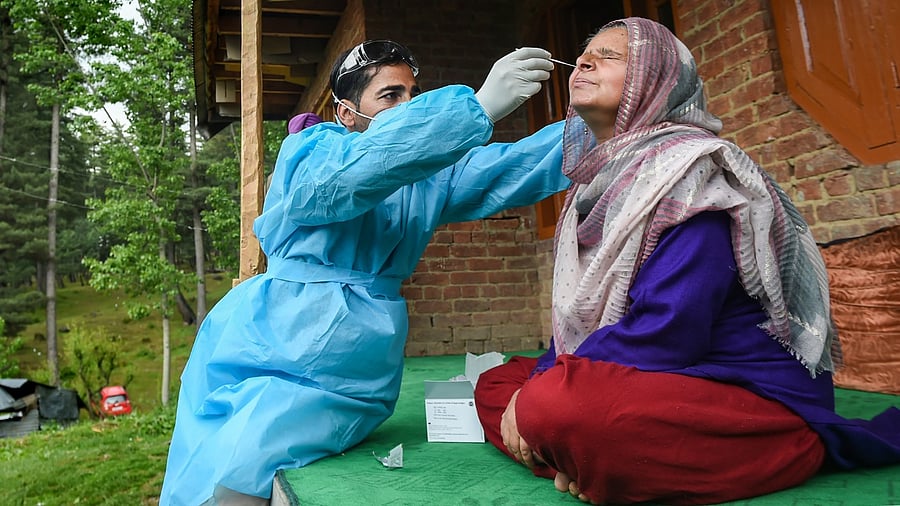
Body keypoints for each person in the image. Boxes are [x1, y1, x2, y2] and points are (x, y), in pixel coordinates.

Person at [474, 17, 900, 505]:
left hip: (739, 388)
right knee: (497, 384)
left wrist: (540, 401)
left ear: (657, 80)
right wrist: (533, 393)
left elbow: (668, 332)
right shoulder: (596, 186)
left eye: (611, 55)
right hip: (656, 377)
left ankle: (786, 448)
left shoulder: (694, 175)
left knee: (550, 404)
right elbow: (581, 328)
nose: (585, 61)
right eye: (585, 52)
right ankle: (585, 456)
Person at [160, 40, 570, 505]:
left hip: (357, 363)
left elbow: (515, 167)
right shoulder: (312, 151)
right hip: (269, 345)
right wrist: (473, 109)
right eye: (390, 96)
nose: (408, 106)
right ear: (347, 113)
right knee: (222, 462)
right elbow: (352, 177)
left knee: (255, 463)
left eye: (413, 95)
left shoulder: (429, 176)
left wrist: (612, 122)